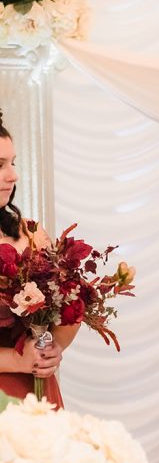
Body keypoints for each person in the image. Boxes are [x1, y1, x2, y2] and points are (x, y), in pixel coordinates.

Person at [0, 112, 77, 407]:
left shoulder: (29, 233)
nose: (13, 175)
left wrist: (52, 348)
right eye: (0, 165)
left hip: (35, 387)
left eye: (13, 162)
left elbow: (68, 304)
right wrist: (18, 360)